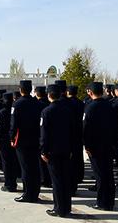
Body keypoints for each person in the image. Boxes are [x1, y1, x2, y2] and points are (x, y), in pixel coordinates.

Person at [40, 84, 77, 217]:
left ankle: (59, 209)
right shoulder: (68, 110)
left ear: (49, 95)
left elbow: (44, 134)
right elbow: (73, 131)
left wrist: (43, 151)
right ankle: (66, 207)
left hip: (52, 152)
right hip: (66, 149)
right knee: (65, 179)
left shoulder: (46, 111)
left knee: (56, 181)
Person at [83, 82, 117, 211]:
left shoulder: (90, 108)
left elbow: (86, 128)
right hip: (108, 144)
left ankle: (102, 202)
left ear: (90, 93)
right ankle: (110, 201)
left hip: (95, 146)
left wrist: (87, 145)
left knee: (100, 175)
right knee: (108, 174)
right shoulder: (109, 105)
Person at [10, 80, 43, 203]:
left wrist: (12, 137)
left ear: (20, 89)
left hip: (22, 140)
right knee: (35, 167)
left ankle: (28, 194)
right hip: (35, 139)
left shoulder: (17, 104)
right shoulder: (37, 103)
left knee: (26, 168)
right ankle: (35, 192)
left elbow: (14, 124)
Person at [0, 93, 19, 192]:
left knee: (6, 163)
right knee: (14, 161)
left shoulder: (1, 113)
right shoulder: (15, 111)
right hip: (13, 139)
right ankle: (13, 182)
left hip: (4, 141)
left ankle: (9, 184)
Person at [67, 85, 85, 195]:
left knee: (71, 160)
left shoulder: (67, 103)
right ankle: (79, 176)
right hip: (79, 132)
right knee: (78, 157)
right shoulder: (81, 103)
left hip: (70, 134)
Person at [35, 86, 52, 188]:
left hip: (41, 134)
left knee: (42, 160)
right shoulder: (49, 103)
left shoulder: (37, 105)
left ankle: (44, 179)